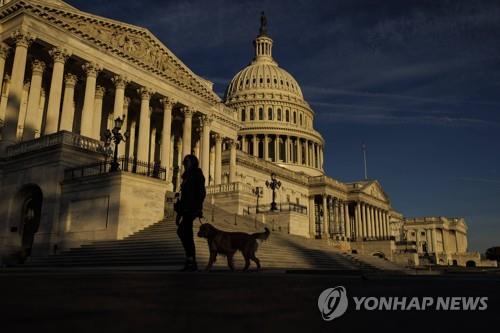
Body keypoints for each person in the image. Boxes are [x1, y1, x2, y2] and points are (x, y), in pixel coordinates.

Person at [175, 154, 206, 271]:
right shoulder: (186, 177)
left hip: (192, 208)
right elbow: (183, 196)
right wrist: (178, 214)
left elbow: (201, 193)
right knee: (184, 232)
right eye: (184, 162)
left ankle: (191, 259)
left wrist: (198, 208)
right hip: (185, 208)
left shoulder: (197, 174)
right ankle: (190, 259)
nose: (184, 164)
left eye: (186, 162)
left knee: (184, 231)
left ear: (193, 162)